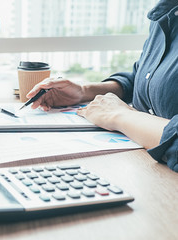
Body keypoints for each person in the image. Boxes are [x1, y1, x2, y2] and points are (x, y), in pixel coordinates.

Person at [26, 0, 178, 172]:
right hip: (143, 167)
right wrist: (84, 91)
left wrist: (120, 115)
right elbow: (145, 77)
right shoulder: (167, 11)